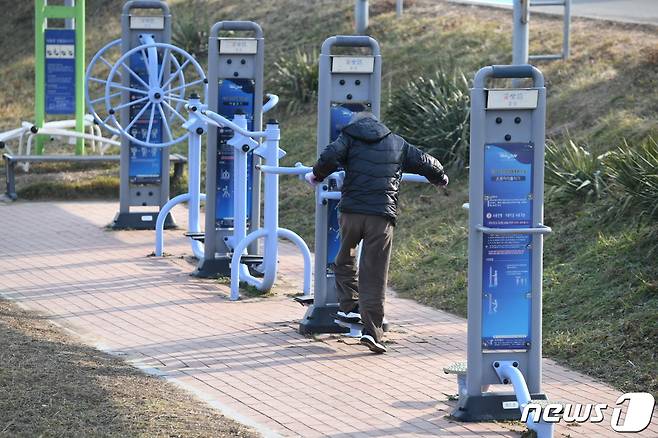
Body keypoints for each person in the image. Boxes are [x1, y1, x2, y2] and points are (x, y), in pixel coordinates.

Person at [305, 112, 448, 354]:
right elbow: (426, 161)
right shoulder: (397, 142)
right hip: (381, 217)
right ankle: (373, 332)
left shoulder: (348, 138)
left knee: (344, 258)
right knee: (374, 273)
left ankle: (350, 307)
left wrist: (316, 176)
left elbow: (329, 156)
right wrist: (440, 177)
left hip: (351, 214)